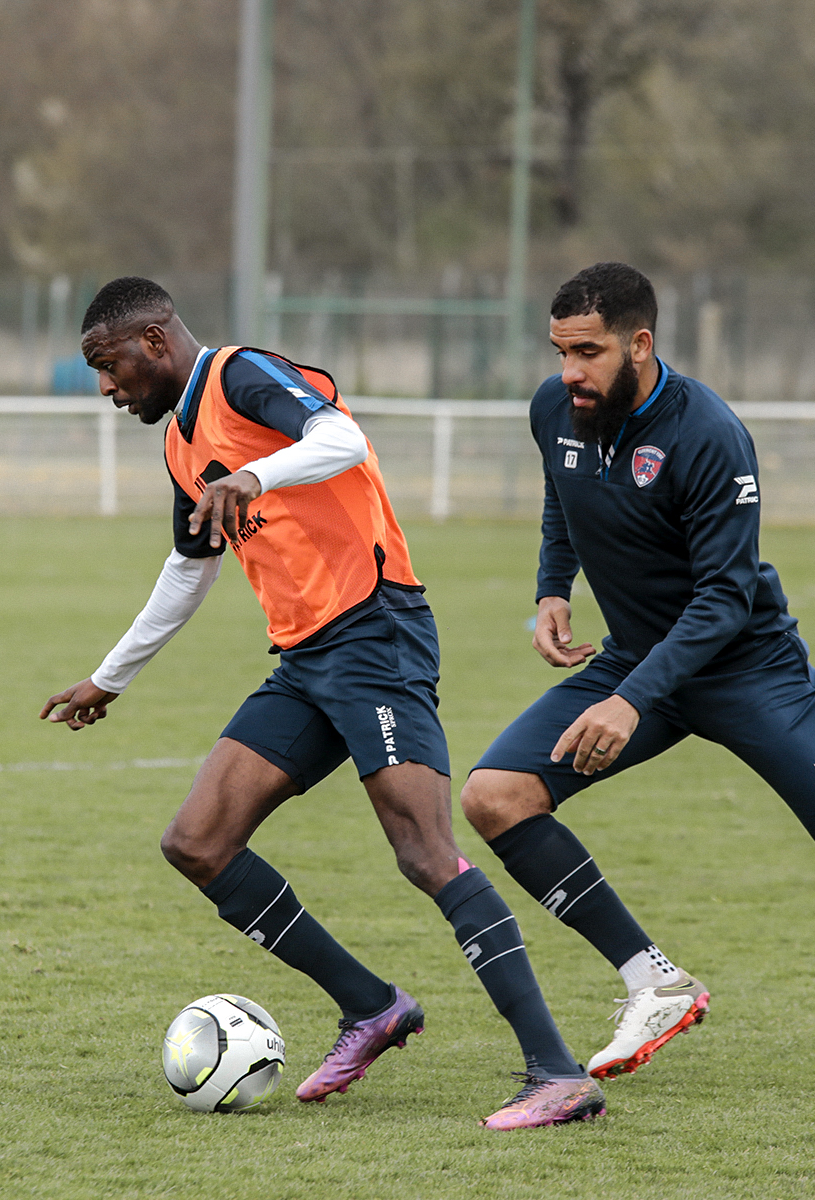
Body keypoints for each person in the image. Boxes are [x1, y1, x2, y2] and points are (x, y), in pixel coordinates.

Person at [41, 276, 604, 1129]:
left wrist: (256, 476)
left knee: (425, 852)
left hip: (375, 632)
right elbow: (191, 567)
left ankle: (556, 1072)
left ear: (154, 340)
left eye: (109, 365)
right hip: (306, 658)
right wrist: (110, 677)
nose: (108, 388)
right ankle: (370, 1006)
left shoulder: (238, 375)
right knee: (198, 842)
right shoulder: (181, 447)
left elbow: (341, 437)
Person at [459, 261, 815, 1084]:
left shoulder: (708, 433)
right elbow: (562, 495)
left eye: (588, 352)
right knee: (495, 795)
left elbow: (726, 597)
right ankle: (652, 980)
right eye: (560, 351)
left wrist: (630, 700)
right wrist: (553, 587)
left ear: (641, 343)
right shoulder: (556, 409)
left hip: (745, 668)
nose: (570, 372)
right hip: (638, 659)